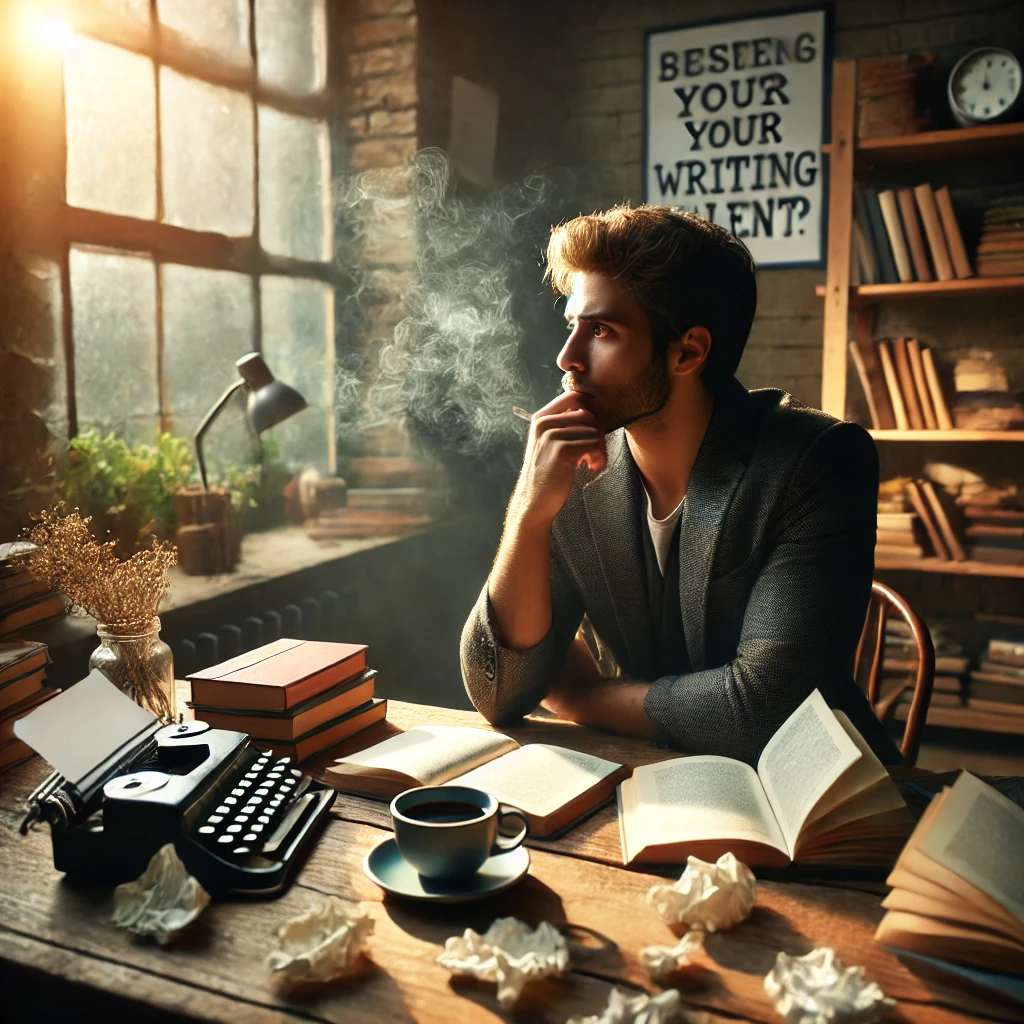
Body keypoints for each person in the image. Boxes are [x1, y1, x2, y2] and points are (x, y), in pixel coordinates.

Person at [460, 204, 901, 766]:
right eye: (571, 325)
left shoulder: (818, 463)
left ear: (688, 351)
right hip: (640, 773)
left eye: (601, 330)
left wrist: (583, 696)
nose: (567, 357)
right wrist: (529, 512)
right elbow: (498, 692)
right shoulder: (573, 464)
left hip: (808, 796)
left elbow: (764, 712)